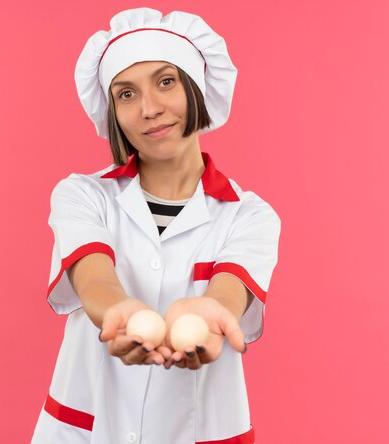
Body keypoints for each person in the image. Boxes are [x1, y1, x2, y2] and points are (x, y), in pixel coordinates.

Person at [32, 8, 281, 444]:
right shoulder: (82, 196)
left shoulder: (250, 215)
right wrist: (116, 311)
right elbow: (93, 276)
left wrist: (209, 315)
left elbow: (228, 293)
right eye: (126, 94)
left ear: (197, 87)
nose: (149, 109)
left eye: (166, 81)